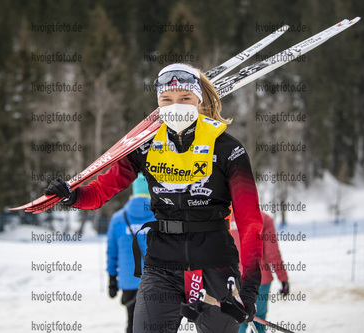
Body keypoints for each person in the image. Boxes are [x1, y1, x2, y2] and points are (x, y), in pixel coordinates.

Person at [44, 63, 263, 333]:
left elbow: (250, 222)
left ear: (199, 100)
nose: (176, 106)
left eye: (185, 98)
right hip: (162, 265)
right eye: (166, 100)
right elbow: (101, 191)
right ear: (158, 104)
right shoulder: (146, 146)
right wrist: (73, 195)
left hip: (216, 266)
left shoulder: (228, 148)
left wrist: (250, 290)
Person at [107, 173, 153, 333]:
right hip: (155, 281)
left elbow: (112, 252)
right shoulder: (159, 216)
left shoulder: (118, 218)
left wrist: (112, 279)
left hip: (129, 281)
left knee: (132, 323)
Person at [238, 212, 289, 333]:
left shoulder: (226, 216)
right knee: (258, 317)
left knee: (237, 318)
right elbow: (272, 252)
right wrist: (283, 278)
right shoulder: (263, 219)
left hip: (232, 279)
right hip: (259, 278)